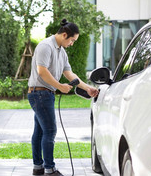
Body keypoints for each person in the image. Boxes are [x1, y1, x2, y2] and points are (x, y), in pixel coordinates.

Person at [28, 19, 99, 176]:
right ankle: (49, 169)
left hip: (45, 94)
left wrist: (88, 88)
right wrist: (60, 86)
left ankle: (38, 168)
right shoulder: (46, 46)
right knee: (50, 130)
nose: (72, 43)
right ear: (64, 35)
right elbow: (42, 71)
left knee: (40, 131)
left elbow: (70, 74)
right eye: (72, 40)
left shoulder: (61, 51)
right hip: (39, 93)